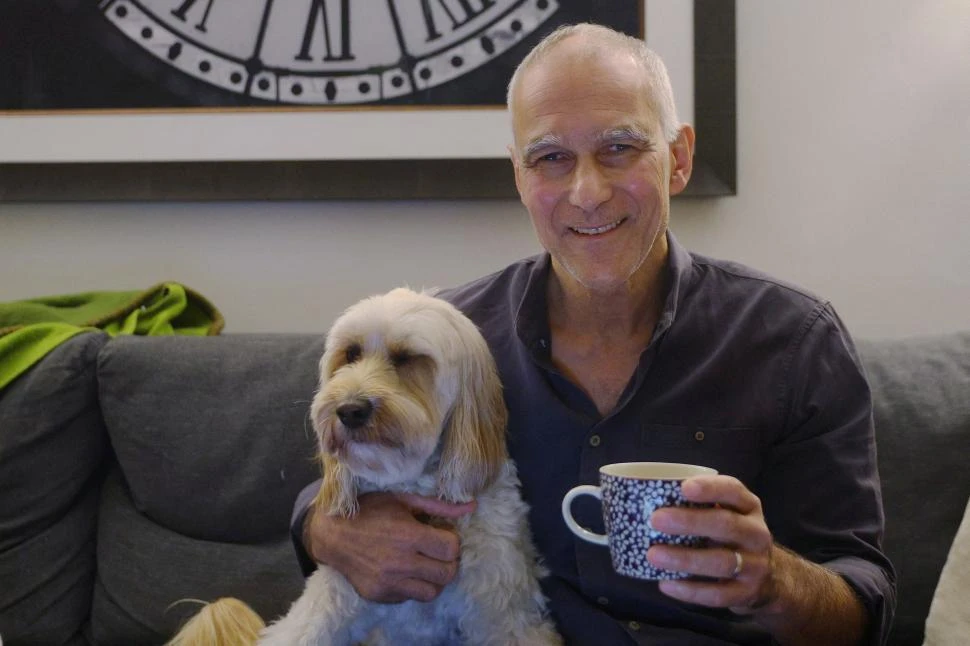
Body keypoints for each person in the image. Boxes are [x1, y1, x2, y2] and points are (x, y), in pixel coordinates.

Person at [290, 23, 896, 645]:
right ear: (520, 177)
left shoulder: (794, 341)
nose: (587, 192)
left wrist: (773, 583)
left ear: (679, 158)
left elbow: (860, 605)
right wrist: (324, 529)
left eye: (619, 148)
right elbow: (350, 463)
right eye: (551, 158)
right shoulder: (450, 340)